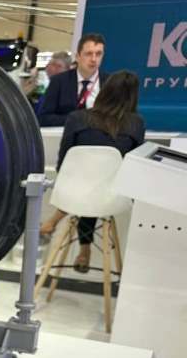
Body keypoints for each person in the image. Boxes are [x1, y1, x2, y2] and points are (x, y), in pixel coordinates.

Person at [40, 70, 145, 272]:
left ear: (105, 91)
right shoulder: (135, 123)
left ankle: (59, 225)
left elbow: (63, 164)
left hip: (74, 192)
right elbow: (135, 168)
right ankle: (83, 248)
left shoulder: (77, 118)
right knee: (99, 186)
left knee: (89, 187)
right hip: (113, 196)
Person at [38, 33, 107, 127]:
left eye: (98, 54)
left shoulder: (109, 83)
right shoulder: (59, 81)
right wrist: (78, 120)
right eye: (88, 54)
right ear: (78, 57)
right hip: (64, 133)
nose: (94, 59)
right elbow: (43, 118)